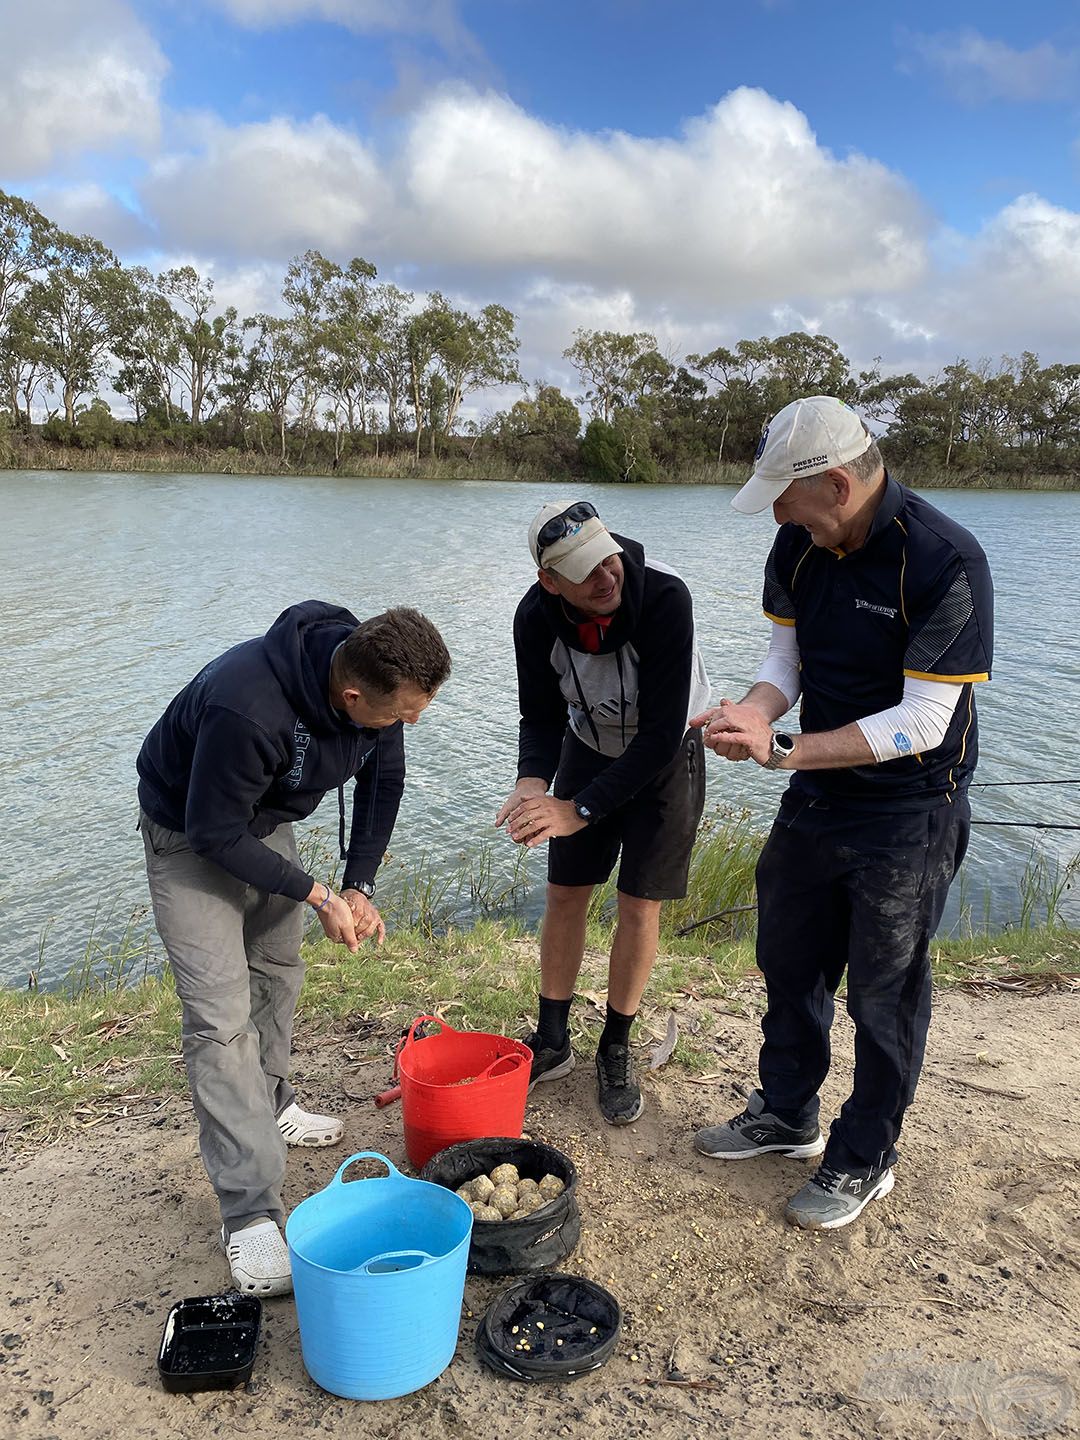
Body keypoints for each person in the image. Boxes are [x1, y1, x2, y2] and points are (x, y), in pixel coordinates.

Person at [691, 396, 993, 1230]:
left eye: (786, 497)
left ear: (834, 484)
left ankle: (865, 1156)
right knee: (788, 957)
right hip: (818, 792)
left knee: (884, 992)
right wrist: (757, 712)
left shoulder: (945, 562)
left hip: (910, 807)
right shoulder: (801, 540)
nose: (778, 515)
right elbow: (785, 654)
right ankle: (787, 1112)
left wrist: (784, 749)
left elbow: (923, 722)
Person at [137, 601, 450, 1293]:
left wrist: (358, 883)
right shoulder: (248, 706)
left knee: (278, 970)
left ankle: (273, 1102)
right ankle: (248, 1215)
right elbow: (214, 833)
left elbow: (382, 777)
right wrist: (317, 895)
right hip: (191, 833)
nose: (413, 722)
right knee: (219, 1022)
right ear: (350, 696)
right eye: (404, 711)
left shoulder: (375, 681)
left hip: (263, 818)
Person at [496, 501, 710, 1124]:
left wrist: (578, 810)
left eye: (607, 555)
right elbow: (539, 715)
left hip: (666, 757)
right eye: (585, 570)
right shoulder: (534, 618)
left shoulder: (665, 597)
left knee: (638, 904)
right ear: (550, 581)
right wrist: (532, 783)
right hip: (587, 749)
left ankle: (615, 1048)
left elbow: (662, 732)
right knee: (565, 893)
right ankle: (553, 1039)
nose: (606, 574)